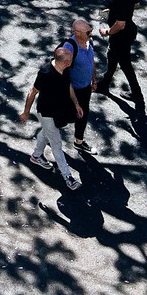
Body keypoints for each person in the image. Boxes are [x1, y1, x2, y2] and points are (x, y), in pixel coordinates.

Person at [21, 45, 83, 190]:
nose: (72, 62)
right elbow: (32, 92)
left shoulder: (65, 69)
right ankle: (68, 177)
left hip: (58, 111)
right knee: (56, 144)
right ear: (66, 62)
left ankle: (36, 156)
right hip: (46, 113)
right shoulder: (45, 73)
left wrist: (76, 104)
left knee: (47, 132)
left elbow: (68, 86)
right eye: (71, 60)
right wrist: (26, 112)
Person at [99, 0, 145, 110]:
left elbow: (120, 25)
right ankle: (105, 84)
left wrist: (106, 32)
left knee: (123, 63)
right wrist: (114, 11)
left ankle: (137, 94)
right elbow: (136, 4)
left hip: (121, 36)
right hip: (130, 32)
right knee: (114, 57)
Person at [63, 18, 97, 147]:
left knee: (83, 114)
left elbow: (91, 61)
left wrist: (94, 79)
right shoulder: (69, 48)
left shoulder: (89, 42)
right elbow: (62, 72)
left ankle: (79, 141)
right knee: (65, 117)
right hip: (72, 90)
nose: (91, 34)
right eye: (88, 32)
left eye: (91, 30)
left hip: (85, 87)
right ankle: (47, 134)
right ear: (77, 33)